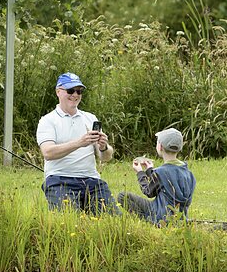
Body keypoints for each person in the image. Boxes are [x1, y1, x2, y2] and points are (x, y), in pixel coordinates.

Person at [37, 72, 116, 213]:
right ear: (58, 92)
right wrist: (79, 143)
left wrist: (104, 147)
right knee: (69, 219)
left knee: (113, 219)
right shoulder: (48, 120)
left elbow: (105, 158)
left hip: (91, 180)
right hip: (59, 179)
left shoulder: (90, 118)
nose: (75, 95)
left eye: (79, 91)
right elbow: (48, 153)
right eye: (70, 90)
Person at [120, 127, 196, 224]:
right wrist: (150, 170)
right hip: (180, 217)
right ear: (179, 148)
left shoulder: (160, 172)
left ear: (160, 147)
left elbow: (148, 192)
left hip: (160, 216)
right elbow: (164, 183)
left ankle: (151, 221)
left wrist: (140, 173)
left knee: (123, 196)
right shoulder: (189, 173)